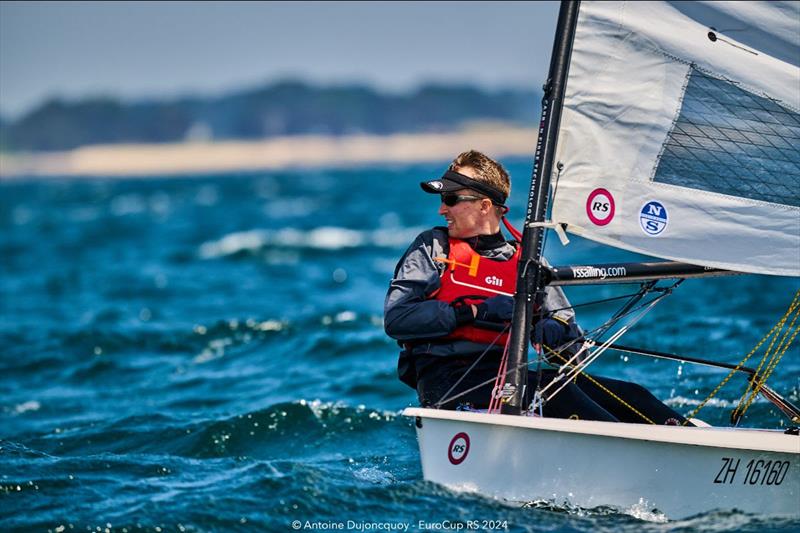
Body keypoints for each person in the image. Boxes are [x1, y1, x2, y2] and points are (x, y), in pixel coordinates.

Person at [384, 150, 689, 424]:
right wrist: (473, 312)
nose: (442, 210)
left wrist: (555, 333)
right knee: (559, 397)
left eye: (451, 199)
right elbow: (398, 318)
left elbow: (573, 350)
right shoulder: (433, 248)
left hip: (511, 378)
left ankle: (698, 447)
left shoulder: (527, 262)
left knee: (633, 396)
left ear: (485, 206)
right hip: (449, 381)